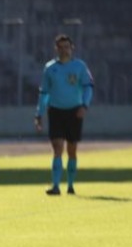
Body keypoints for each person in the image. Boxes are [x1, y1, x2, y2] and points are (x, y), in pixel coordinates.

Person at [33, 34, 93, 195]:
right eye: (60, 47)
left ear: (71, 48)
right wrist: (39, 113)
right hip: (56, 111)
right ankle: (56, 186)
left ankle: (71, 185)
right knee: (57, 147)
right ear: (56, 49)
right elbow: (44, 92)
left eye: (66, 47)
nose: (64, 50)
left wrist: (84, 106)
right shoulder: (50, 68)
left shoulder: (79, 66)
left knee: (72, 150)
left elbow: (88, 87)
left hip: (74, 111)